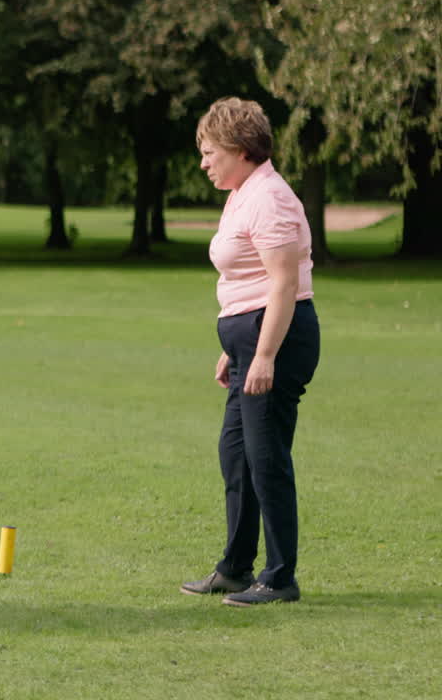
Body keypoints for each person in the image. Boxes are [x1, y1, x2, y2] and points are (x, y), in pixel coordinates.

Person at [179, 97, 321, 607]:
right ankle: (236, 569)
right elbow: (249, 280)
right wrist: (235, 350)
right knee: (236, 455)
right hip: (252, 341)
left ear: (239, 149)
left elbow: (283, 284)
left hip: (278, 341)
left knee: (266, 459)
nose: (204, 163)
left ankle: (280, 578)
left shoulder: (270, 198)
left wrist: (263, 355)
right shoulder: (243, 193)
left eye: (209, 151)